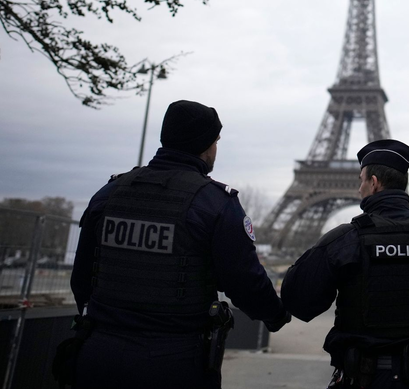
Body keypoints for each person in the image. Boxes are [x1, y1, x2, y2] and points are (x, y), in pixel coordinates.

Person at [65, 100, 291, 389]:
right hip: (173, 359)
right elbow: (243, 280)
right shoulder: (216, 204)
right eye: (215, 141)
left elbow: (82, 276)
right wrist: (276, 314)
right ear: (206, 145)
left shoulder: (109, 193)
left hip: (97, 352)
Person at [281, 139, 409, 389]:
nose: (358, 189)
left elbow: (298, 300)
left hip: (367, 377)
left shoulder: (347, 240)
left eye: (361, 181)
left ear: (374, 183)